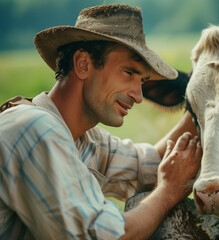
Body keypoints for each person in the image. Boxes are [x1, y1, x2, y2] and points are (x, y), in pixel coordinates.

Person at [0, 4, 201, 240]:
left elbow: (151, 165)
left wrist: (203, 101)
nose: (138, 95)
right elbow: (103, 236)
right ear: (83, 64)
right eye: (128, 72)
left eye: (142, 81)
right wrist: (167, 193)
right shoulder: (35, 129)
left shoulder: (85, 138)